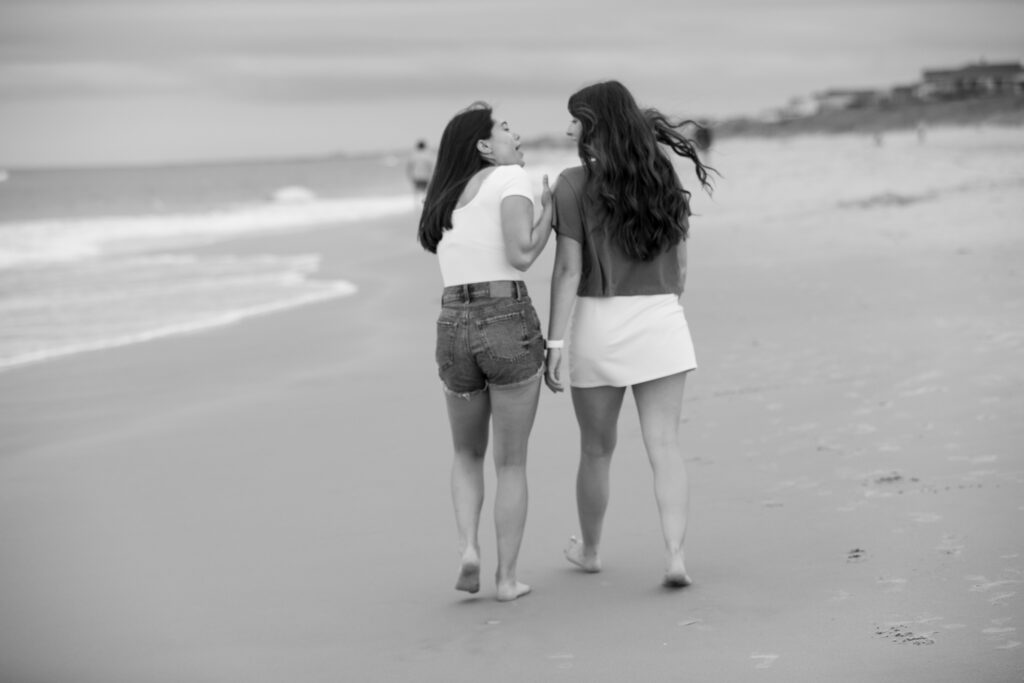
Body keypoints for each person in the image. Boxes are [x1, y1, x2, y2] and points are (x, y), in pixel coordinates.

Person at [544, 80, 714, 587]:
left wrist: (553, 343)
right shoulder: (660, 175)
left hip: (600, 323)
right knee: (665, 445)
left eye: (575, 118)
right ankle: (676, 555)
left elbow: (568, 271)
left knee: (597, 450)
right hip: (662, 319)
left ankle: (591, 550)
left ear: (593, 124)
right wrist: (665, 301)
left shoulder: (572, 184)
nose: (568, 126)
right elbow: (681, 262)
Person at [417, 102, 553, 601]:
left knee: (465, 453)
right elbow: (521, 254)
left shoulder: (445, 199)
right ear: (483, 146)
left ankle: (468, 548)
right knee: (511, 463)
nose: (516, 136)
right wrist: (549, 217)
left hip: (452, 322)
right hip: (504, 317)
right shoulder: (510, 180)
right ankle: (506, 578)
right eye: (506, 129)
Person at [407, 139, 436, 204]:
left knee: (416, 195)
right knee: (425, 194)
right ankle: (424, 207)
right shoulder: (428, 156)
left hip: (416, 177)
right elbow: (431, 168)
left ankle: (417, 208)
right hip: (425, 177)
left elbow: (409, 168)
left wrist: (410, 178)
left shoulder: (413, 156)